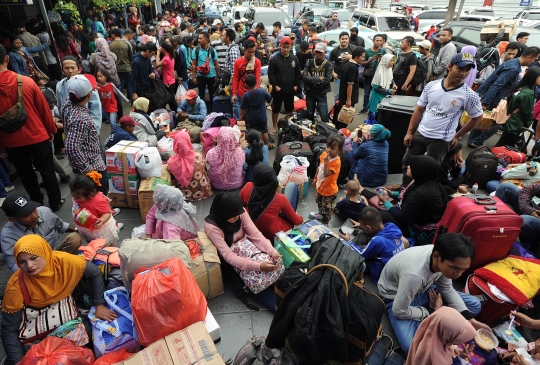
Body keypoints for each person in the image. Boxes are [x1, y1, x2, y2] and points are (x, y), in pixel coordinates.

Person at [0, 235, 118, 365]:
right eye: (22, 262)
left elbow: (93, 272)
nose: (29, 265)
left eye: (34, 258)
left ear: (45, 253)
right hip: (37, 330)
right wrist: (19, 361)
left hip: (65, 318)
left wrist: (99, 304)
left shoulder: (62, 261)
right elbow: (9, 329)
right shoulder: (16, 287)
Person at [378, 232, 486, 353]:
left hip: (424, 289)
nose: (459, 274)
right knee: (411, 347)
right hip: (396, 297)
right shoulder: (414, 275)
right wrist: (433, 312)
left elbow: (446, 288)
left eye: (463, 270)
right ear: (436, 256)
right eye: (455, 268)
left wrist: (470, 319)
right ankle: (434, 319)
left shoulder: (442, 257)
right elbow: (399, 311)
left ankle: (428, 322)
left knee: (474, 305)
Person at [402, 53, 483, 186]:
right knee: (407, 164)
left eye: (467, 70)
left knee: (429, 171)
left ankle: (418, 196)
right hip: (420, 133)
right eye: (460, 68)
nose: (463, 73)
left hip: (441, 140)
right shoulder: (431, 85)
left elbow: (477, 118)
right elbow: (419, 109)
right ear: (449, 67)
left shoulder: (469, 95)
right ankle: (404, 191)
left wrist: (457, 136)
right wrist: (410, 132)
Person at [0, 45, 63, 212]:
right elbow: (43, 110)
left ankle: (36, 203)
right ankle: (55, 202)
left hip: (11, 141)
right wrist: (51, 130)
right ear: (7, 59)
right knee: (47, 170)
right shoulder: (26, 82)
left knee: (26, 174)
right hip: (37, 136)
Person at [204, 192, 282, 310]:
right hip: (232, 261)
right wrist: (258, 266)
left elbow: (255, 235)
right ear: (224, 214)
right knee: (256, 283)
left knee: (273, 270)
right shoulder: (212, 227)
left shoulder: (240, 213)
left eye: (238, 216)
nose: (237, 219)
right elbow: (229, 256)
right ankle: (282, 310)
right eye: (233, 217)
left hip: (248, 249)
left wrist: (273, 252)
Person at [468, 46, 540, 148]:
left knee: (483, 119)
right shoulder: (513, 68)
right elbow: (497, 85)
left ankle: (471, 141)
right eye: (534, 59)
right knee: (497, 123)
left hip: (491, 96)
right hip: (493, 98)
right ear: (529, 57)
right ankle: (477, 141)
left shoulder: (513, 64)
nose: (533, 62)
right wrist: (485, 102)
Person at [1, 194, 82, 273]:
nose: (34, 215)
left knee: (75, 237)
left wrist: (79, 230)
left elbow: (61, 226)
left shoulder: (44, 212)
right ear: (13, 219)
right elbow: (14, 265)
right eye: (26, 214)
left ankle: (63, 266)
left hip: (57, 253)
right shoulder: (7, 236)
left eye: (33, 209)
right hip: (35, 265)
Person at [379, 155, 448, 245]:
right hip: (416, 220)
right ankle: (360, 189)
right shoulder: (428, 182)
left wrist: (386, 202)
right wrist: (391, 194)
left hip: (417, 232)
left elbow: (403, 217)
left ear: (421, 170)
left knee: (378, 215)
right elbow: (406, 194)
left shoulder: (422, 194)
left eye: (412, 166)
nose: (408, 166)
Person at [61, 74, 108, 194]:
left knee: (89, 194)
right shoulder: (81, 118)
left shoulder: (67, 102)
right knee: (100, 191)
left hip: (84, 160)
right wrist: (87, 169)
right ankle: (103, 211)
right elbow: (71, 147)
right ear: (89, 95)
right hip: (92, 162)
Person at [341, 207, 407, 283]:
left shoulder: (378, 241)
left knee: (353, 253)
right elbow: (375, 231)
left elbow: (361, 254)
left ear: (369, 227)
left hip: (380, 273)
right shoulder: (391, 226)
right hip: (394, 267)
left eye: (363, 227)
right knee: (365, 236)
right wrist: (361, 226)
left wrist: (348, 241)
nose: (362, 228)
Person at [240, 163, 302, 240]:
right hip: (277, 236)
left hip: (252, 230)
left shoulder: (248, 187)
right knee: (292, 186)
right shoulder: (279, 198)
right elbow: (297, 221)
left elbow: (241, 208)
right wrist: (300, 218)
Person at [405, 307, 477, 365]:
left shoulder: (430, 333)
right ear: (445, 335)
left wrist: (456, 349)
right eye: (458, 336)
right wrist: (459, 359)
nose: (461, 341)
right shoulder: (434, 359)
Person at [70, 173, 121, 245]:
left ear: (90, 195)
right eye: (72, 195)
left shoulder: (98, 201)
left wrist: (102, 221)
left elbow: (107, 213)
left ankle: (112, 254)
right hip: (86, 227)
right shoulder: (77, 197)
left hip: (98, 230)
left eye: (78, 197)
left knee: (107, 244)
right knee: (92, 244)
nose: (74, 198)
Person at [495, 66, 540, 148]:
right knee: (504, 148)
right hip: (516, 124)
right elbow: (527, 113)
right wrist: (528, 124)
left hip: (511, 120)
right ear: (533, 77)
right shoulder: (528, 93)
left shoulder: (521, 87)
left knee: (502, 144)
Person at [57, 56, 103, 133]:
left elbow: (95, 108)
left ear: (79, 69)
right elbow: (60, 105)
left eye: (73, 68)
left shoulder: (88, 84)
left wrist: (95, 129)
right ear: (62, 70)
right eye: (66, 68)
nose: (70, 71)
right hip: (70, 127)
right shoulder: (60, 85)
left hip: (88, 127)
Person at [268, 37, 301, 136]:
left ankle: (288, 127)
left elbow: (297, 73)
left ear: (291, 47)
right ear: (280, 47)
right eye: (283, 47)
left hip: (290, 89)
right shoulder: (274, 58)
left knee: (289, 110)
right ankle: (274, 126)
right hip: (278, 90)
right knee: (275, 109)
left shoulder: (294, 58)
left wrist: (296, 85)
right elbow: (271, 74)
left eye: (288, 47)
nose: (286, 49)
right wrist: (275, 86)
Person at [496, 182, 540, 254]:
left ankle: (531, 251)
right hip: (536, 210)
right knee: (505, 187)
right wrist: (528, 209)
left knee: (524, 220)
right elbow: (528, 189)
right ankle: (499, 233)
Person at [168, 130, 213, 201]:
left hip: (185, 195)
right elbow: (204, 170)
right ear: (188, 142)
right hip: (205, 191)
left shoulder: (172, 162)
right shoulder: (198, 155)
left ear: (175, 144)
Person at [314, 134, 344, 224]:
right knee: (319, 202)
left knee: (327, 208)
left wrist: (327, 162)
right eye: (328, 146)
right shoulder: (324, 154)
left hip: (329, 191)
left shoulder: (336, 162)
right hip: (321, 186)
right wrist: (315, 177)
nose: (329, 150)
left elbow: (326, 174)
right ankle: (320, 214)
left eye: (332, 148)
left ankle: (325, 222)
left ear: (339, 150)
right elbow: (319, 167)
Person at [333, 46, 365, 130]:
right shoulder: (353, 67)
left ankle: (338, 133)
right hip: (347, 98)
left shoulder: (348, 64)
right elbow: (350, 85)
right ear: (356, 57)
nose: (363, 58)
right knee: (344, 119)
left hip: (343, 96)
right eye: (362, 56)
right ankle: (339, 135)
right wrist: (348, 100)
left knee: (340, 118)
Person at [232, 39, 262, 122]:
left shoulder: (257, 62)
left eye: (253, 52)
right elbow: (236, 78)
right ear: (244, 50)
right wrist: (234, 93)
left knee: (251, 117)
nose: (252, 54)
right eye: (249, 52)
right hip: (241, 93)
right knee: (240, 118)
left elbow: (257, 77)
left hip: (252, 93)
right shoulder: (238, 62)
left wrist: (256, 91)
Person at [303, 43, 333, 124]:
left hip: (321, 93)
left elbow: (327, 81)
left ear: (325, 52)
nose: (318, 54)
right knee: (310, 115)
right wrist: (319, 78)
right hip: (310, 92)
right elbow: (305, 78)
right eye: (316, 52)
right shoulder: (309, 62)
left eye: (320, 53)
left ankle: (324, 132)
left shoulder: (328, 64)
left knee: (324, 116)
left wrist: (311, 79)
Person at [191, 32, 220, 110]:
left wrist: (218, 76)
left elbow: (216, 64)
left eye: (201, 38)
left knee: (212, 94)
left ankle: (212, 109)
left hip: (211, 76)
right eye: (198, 38)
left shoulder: (212, 50)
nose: (198, 40)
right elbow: (194, 64)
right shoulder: (196, 50)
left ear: (206, 40)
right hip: (200, 76)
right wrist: (194, 77)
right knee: (201, 94)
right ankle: (202, 109)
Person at [360, 34, 386, 114]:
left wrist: (382, 59)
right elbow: (363, 64)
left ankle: (375, 109)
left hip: (379, 76)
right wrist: (372, 59)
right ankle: (365, 108)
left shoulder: (383, 51)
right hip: (368, 75)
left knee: (377, 93)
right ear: (373, 41)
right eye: (377, 40)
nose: (378, 42)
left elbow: (386, 63)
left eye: (380, 41)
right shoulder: (367, 51)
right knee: (367, 93)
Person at [328, 31, 355, 103]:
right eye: (342, 39)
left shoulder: (353, 49)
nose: (344, 40)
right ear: (339, 39)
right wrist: (333, 73)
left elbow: (360, 59)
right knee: (337, 96)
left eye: (346, 39)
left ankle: (346, 113)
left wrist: (351, 57)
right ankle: (336, 112)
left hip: (350, 77)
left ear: (348, 39)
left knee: (349, 96)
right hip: (338, 77)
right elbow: (329, 63)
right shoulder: (334, 51)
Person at [109, 28, 133, 103]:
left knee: (119, 86)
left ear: (113, 34)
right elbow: (130, 58)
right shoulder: (126, 44)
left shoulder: (110, 45)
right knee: (129, 85)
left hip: (117, 69)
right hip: (127, 68)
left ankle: (118, 103)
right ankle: (132, 102)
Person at [154, 41, 178, 111]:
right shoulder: (171, 55)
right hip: (171, 80)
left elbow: (157, 64)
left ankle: (175, 113)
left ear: (163, 49)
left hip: (168, 82)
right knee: (171, 99)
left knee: (170, 100)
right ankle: (174, 112)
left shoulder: (166, 58)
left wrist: (158, 53)